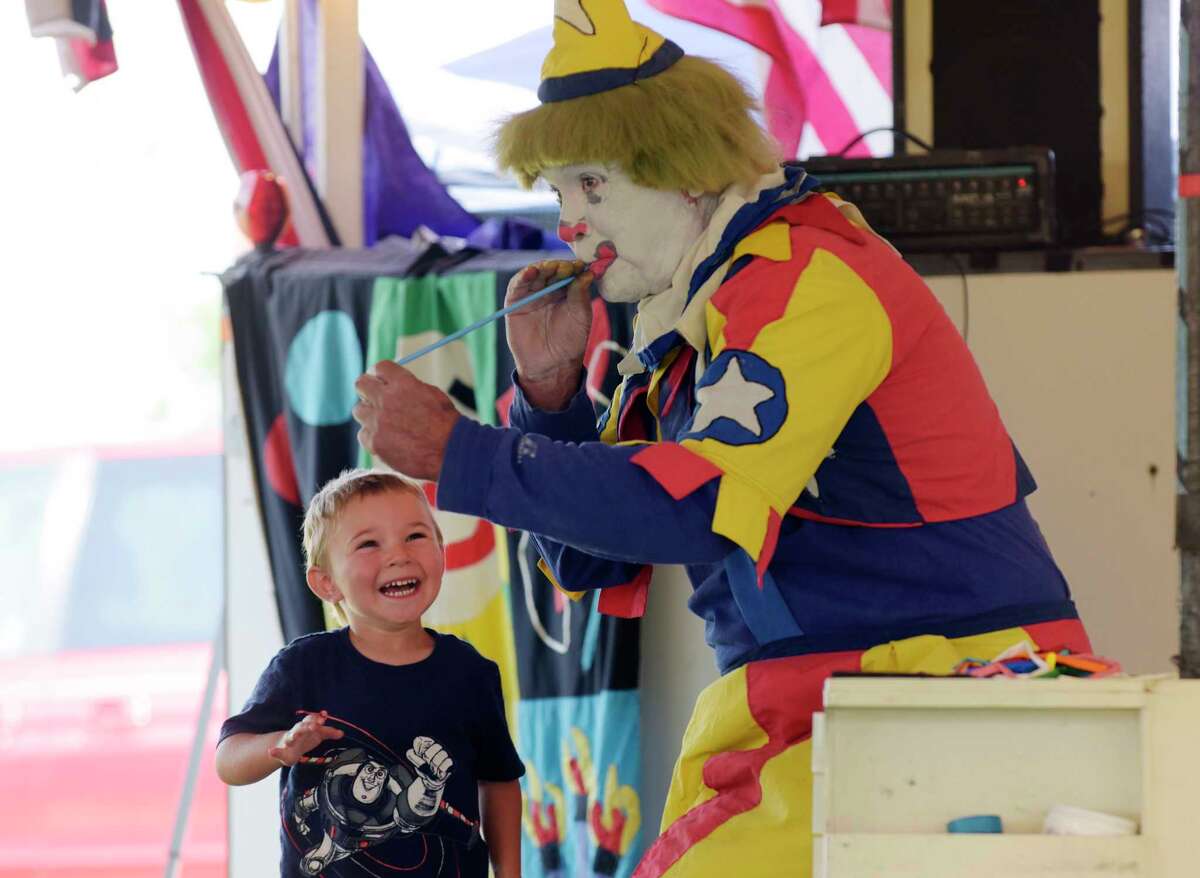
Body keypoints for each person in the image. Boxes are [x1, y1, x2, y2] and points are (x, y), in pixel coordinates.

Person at [351, 1, 1092, 875]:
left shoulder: (808, 279)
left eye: (595, 185)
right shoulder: (694, 315)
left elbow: (698, 507)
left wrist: (460, 453)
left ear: (690, 175)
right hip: (837, 703)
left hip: (944, 695)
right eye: (560, 193)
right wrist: (550, 399)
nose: (570, 226)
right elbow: (594, 562)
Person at [215, 469, 524, 878]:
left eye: (415, 536)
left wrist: (509, 872)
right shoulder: (303, 667)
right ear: (327, 583)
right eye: (369, 544)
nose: (398, 555)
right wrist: (281, 745)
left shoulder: (470, 673)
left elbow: (499, 782)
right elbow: (228, 759)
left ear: (441, 551)